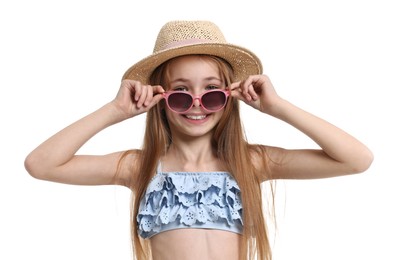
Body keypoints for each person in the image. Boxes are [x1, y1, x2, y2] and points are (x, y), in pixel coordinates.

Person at [24, 20, 374, 260]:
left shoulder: (250, 163)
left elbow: (356, 159)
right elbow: (40, 164)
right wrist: (115, 110)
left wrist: (278, 107)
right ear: (160, 98)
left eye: (211, 92)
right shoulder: (139, 167)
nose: (196, 104)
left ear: (229, 96)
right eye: (179, 93)